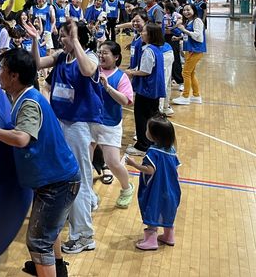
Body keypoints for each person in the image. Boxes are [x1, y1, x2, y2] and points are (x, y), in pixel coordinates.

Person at [0, 48, 80, 277]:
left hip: (58, 182)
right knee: (49, 229)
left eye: (2, 70)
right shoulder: (23, 97)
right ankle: (57, 268)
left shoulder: (29, 102)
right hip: (54, 179)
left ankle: (50, 268)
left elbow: (21, 138)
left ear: (14, 76)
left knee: (38, 241)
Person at [24, 19, 101, 255]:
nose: (61, 38)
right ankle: (86, 205)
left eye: (65, 35)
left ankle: (84, 236)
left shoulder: (89, 57)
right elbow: (36, 64)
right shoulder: (60, 57)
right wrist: (36, 39)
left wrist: (76, 40)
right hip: (61, 122)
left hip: (79, 125)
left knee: (80, 176)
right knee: (70, 173)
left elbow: (88, 70)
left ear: (77, 37)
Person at [125, 115, 181, 251]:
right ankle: (169, 237)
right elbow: (176, 167)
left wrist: (134, 164)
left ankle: (151, 241)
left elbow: (149, 170)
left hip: (156, 189)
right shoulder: (172, 151)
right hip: (172, 189)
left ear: (155, 135)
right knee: (167, 211)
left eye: (147, 130)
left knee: (152, 210)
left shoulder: (153, 152)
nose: (145, 132)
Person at [93, 41, 135, 208]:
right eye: (100, 52)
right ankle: (88, 196)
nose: (101, 56)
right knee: (84, 161)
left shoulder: (121, 77)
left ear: (116, 57)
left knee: (112, 162)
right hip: (89, 122)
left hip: (110, 123)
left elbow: (126, 101)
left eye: (105, 53)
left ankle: (126, 188)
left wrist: (107, 87)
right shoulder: (92, 70)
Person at [125, 23, 166, 156]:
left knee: (141, 117)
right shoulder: (157, 49)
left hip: (147, 89)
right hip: (154, 90)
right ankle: (153, 142)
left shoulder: (148, 51)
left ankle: (142, 146)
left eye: (144, 32)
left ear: (150, 35)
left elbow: (145, 71)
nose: (141, 33)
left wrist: (131, 73)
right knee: (152, 117)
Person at [172, 4, 206, 106]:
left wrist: (183, 30)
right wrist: (179, 38)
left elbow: (198, 37)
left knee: (185, 73)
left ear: (194, 10)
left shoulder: (197, 21)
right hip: (190, 50)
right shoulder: (189, 21)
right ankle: (196, 96)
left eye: (188, 10)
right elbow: (188, 35)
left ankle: (185, 96)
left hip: (195, 50)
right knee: (191, 73)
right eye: (184, 10)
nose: (186, 12)